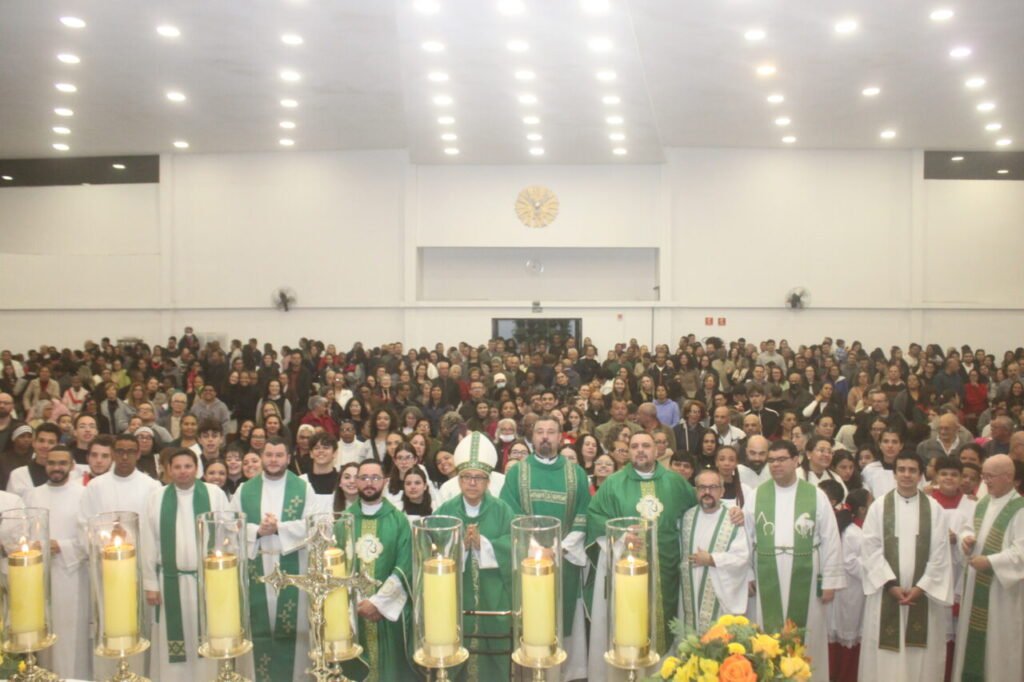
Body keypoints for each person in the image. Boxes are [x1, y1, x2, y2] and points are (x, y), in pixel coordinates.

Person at [586, 431, 703, 680]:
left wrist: (732, 512)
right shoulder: (614, 483)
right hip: (626, 570)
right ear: (628, 451)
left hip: (668, 570)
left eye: (646, 445)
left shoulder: (675, 482)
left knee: (667, 624)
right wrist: (620, 535)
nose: (640, 450)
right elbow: (595, 517)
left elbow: (700, 511)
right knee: (628, 624)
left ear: (657, 450)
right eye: (635, 446)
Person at [500, 415, 591, 680]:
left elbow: (583, 516)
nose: (545, 437)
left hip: (564, 561)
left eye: (551, 432)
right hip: (529, 563)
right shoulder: (517, 472)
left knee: (563, 624)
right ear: (532, 436)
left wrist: (559, 549)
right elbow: (510, 513)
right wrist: (538, 550)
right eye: (540, 431)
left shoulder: (576, 474)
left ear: (560, 437)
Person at [748, 439, 845, 682]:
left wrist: (830, 581)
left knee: (808, 633)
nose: (776, 465)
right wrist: (748, 574)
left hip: (806, 576)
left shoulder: (815, 495)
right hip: (766, 573)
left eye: (782, 459)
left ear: (796, 460)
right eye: (771, 460)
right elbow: (746, 538)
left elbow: (830, 537)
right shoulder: (757, 495)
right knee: (768, 634)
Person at [229, 437, 317, 682]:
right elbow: (230, 526)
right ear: (261, 457)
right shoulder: (245, 490)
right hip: (257, 567)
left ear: (288, 458)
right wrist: (257, 531)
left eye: (279, 455)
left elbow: (314, 525)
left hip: (293, 569)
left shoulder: (303, 488)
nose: (274, 460)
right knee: (257, 630)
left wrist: (279, 528)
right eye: (269, 455)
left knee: (294, 632)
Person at [858, 452, 952, 681]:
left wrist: (922, 587)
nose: (906, 475)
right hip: (886, 594)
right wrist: (890, 584)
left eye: (912, 470)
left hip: (923, 597)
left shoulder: (934, 509)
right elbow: (870, 549)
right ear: (894, 473)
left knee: (920, 658)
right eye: (901, 469)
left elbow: (940, 553)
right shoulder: (879, 507)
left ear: (921, 475)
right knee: (885, 659)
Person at [78, 432, 163, 677]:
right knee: (109, 627)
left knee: (138, 629)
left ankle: (138, 676)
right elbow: (83, 526)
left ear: (139, 453)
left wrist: (132, 541)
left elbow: (155, 529)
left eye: (130, 451)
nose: (125, 457)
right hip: (106, 572)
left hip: (138, 570)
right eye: (120, 451)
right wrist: (105, 539)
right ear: (113, 453)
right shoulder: (96, 487)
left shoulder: (151, 487)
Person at [142, 448, 231, 682]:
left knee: (208, 634)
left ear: (197, 468)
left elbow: (227, 533)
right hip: (170, 581)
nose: (183, 471)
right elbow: (148, 541)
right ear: (169, 470)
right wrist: (151, 584)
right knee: (172, 639)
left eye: (188, 466)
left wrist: (223, 577)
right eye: (177, 467)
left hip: (208, 580)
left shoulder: (214, 494)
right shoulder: (157, 497)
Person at [433, 432, 514, 681]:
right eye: (466, 477)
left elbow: (514, 544)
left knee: (494, 653)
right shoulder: (445, 511)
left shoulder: (502, 510)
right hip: (455, 596)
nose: (472, 483)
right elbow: (433, 549)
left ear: (488, 481)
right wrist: (460, 547)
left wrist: (485, 545)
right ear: (458, 480)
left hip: (494, 596)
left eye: (478, 477)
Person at [340, 459, 416, 682]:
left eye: (375, 478)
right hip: (354, 613)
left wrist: (378, 603)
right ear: (356, 481)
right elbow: (337, 570)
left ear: (385, 481)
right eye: (364, 478)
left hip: (389, 614)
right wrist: (359, 603)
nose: (369, 483)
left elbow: (405, 565)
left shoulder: (399, 520)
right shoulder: (343, 522)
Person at [952, 454, 1024, 682]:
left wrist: (991, 562)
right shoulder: (982, 503)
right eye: (984, 476)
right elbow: (967, 528)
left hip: (1002, 596)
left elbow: (1021, 553)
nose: (985, 481)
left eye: (990, 476)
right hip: (975, 589)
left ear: (1009, 477)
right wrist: (966, 540)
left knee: (997, 652)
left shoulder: (1020, 510)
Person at [25, 446, 90, 679]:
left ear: (72, 466)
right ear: (45, 464)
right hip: (39, 575)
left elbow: (89, 537)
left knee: (71, 636)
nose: (56, 468)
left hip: (72, 575)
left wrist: (61, 546)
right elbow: (24, 532)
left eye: (62, 463)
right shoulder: (33, 495)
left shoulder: (83, 494)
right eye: (52, 463)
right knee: (43, 633)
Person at [679, 468, 751, 632]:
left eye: (713, 487)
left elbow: (742, 557)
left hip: (720, 596)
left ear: (722, 491)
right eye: (702, 487)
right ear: (696, 491)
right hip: (689, 592)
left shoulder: (733, 519)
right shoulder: (686, 517)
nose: (707, 492)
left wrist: (712, 559)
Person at [7, 422, 62, 497]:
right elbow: (10, 502)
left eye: (51, 442)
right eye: (41, 441)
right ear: (33, 443)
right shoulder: (18, 475)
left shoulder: (66, 474)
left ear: (58, 446)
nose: (45, 446)